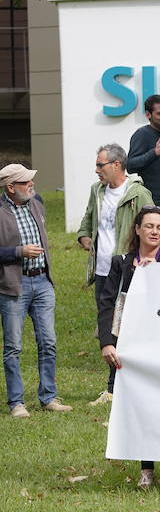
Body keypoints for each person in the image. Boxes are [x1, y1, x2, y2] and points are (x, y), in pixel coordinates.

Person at [97, 206, 160, 487]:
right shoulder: (121, 263)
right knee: (143, 407)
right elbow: (106, 304)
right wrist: (107, 343)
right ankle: (147, 468)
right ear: (137, 229)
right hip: (134, 349)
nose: (155, 232)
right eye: (149, 226)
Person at [78, 144, 153, 403]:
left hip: (128, 270)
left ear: (117, 165)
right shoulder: (96, 190)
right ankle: (113, 388)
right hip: (103, 272)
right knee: (109, 327)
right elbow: (88, 218)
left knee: (128, 327)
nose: (96, 170)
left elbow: (153, 225)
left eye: (100, 165)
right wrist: (84, 237)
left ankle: (126, 386)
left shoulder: (138, 194)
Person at [0, 164, 69, 418]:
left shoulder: (36, 202)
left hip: (42, 282)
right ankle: (16, 403)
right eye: (26, 182)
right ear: (10, 187)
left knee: (48, 342)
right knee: (13, 347)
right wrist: (20, 252)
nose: (32, 185)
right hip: (13, 286)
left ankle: (48, 397)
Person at [126, 94, 160, 208]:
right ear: (148, 114)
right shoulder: (141, 134)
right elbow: (130, 166)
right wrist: (154, 153)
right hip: (153, 203)